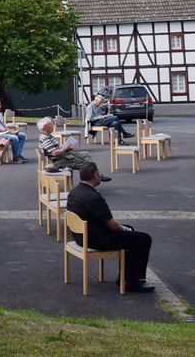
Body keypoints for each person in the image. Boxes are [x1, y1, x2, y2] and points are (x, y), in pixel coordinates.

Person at [66, 162, 153, 292]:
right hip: (96, 239)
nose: (100, 175)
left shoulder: (74, 192)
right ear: (95, 176)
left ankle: (125, 277)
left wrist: (126, 228)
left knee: (131, 233)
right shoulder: (94, 197)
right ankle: (132, 281)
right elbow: (113, 226)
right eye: (98, 173)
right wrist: (125, 229)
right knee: (144, 239)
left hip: (80, 236)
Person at [37, 117, 106, 175]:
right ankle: (95, 176)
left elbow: (56, 150)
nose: (53, 127)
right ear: (45, 127)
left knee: (85, 154)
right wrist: (64, 148)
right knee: (86, 165)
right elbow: (54, 153)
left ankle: (95, 174)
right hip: (60, 160)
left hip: (64, 155)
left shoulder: (48, 135)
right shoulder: (45, 138)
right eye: (51, 125)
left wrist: (66, 148)